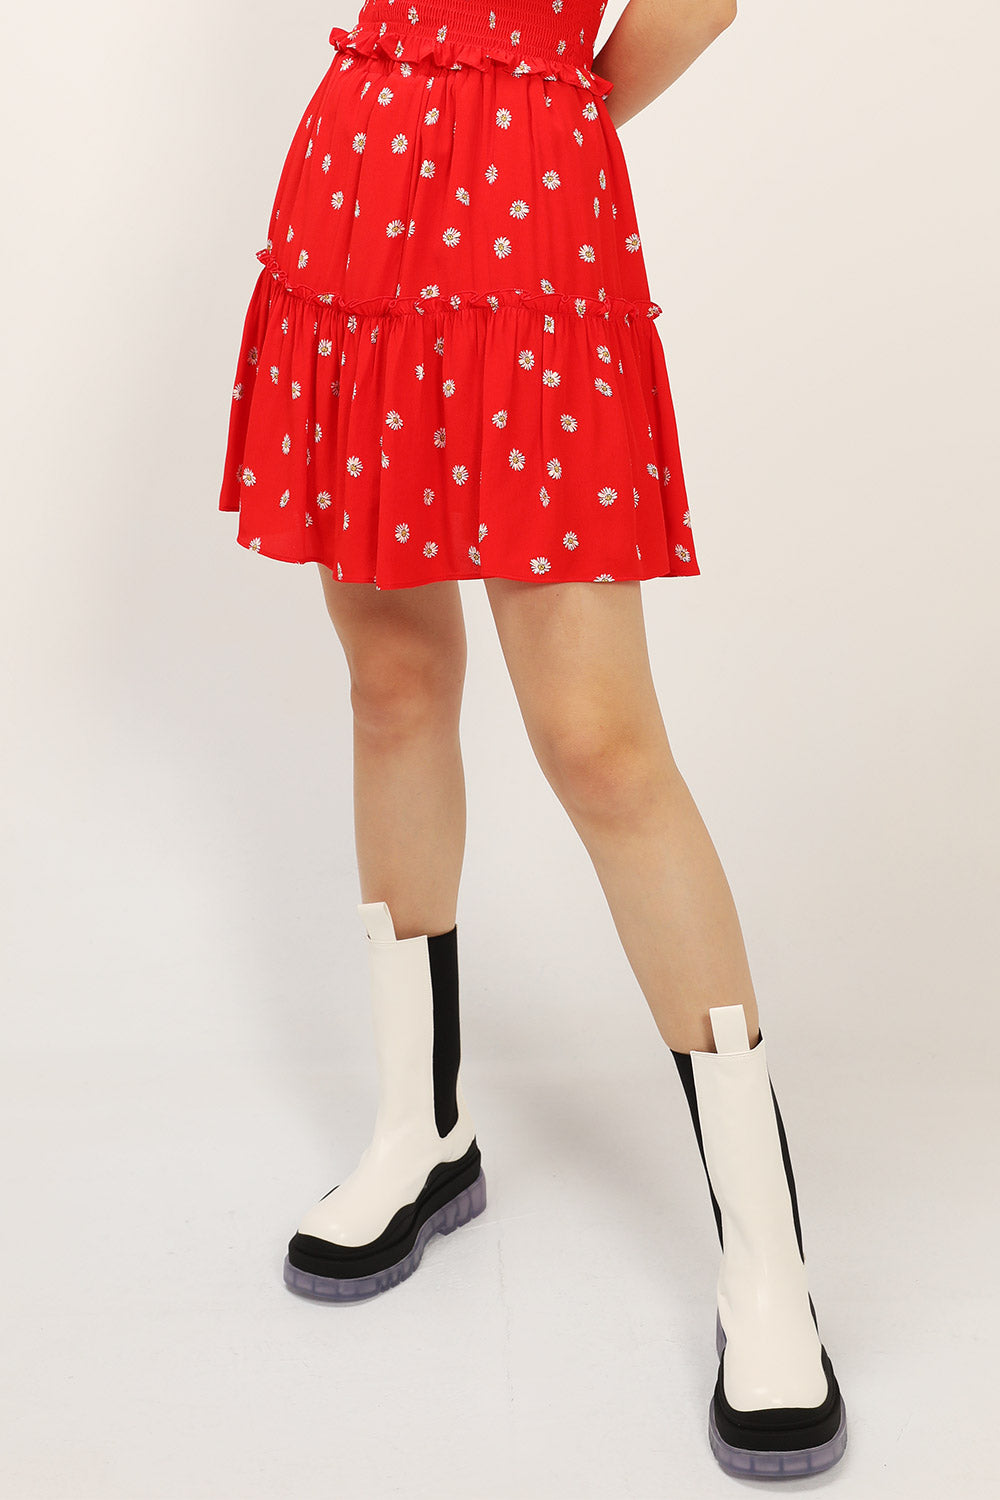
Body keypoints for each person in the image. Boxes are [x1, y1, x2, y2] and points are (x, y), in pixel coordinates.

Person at [217, 0, 848, 1480]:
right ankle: (420, 1132)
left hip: (532, 207)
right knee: (391, 680)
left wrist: (540, 112)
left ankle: (768, 1264)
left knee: (601, 743)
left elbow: (697, 3)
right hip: (361, 184)